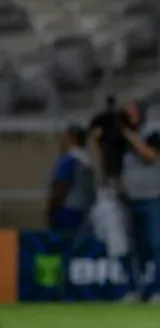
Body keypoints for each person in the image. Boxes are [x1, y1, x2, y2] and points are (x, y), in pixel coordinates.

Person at [118, 100, 160, 303]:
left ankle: (158, 291)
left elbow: (150, 156)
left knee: (156, 245)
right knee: (132, 248)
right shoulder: (121, 140)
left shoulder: (152, 134)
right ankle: (135, 290)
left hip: (151, 198)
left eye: (132, 112)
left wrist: (131, 137)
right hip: (129, 199)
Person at [47, 124, 96, 294]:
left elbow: (61, 185)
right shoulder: (88, 161)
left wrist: (51, 208)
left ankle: (58, 288)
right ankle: (71, 288)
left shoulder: (69, 160)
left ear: (72, 137)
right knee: (76, 249)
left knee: (62, 250)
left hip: (67, 210)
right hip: (85, 210)